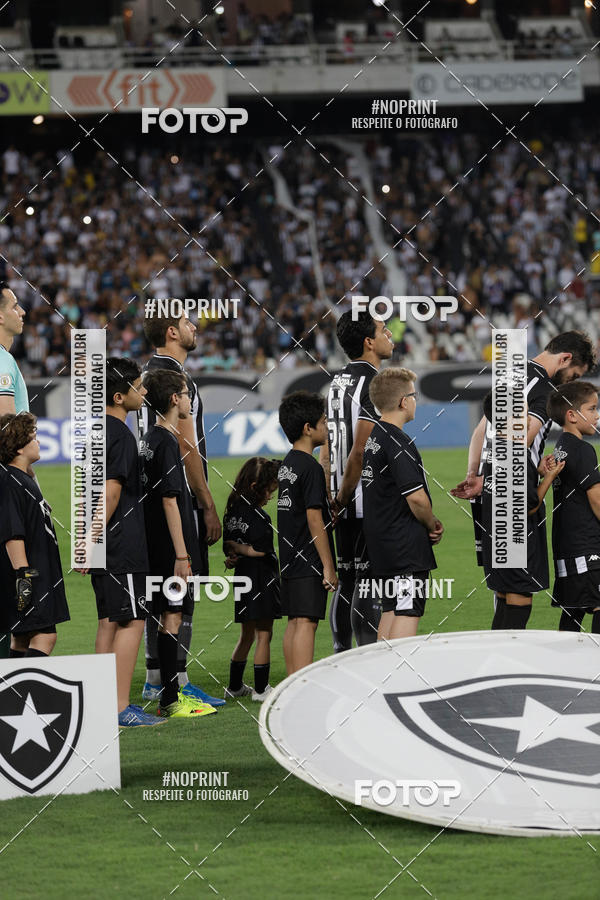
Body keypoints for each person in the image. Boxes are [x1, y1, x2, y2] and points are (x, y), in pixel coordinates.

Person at [452, 331, 596, 628]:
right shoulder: (542, 389)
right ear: (565, 358)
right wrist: (533, 481)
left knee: (506, 593)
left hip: (492, 491)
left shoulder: (511, 373)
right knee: (519, 595)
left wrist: (477, 475)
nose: (568, 383)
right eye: (573, 375)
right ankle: (504, 669)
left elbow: (482, 430)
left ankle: (497, 667)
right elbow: (518, 442)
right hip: (513, 497)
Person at [138, 311, 224, 707]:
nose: (195, 329)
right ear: (172, 332)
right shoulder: (178, 382)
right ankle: (177, 682)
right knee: (180, 589)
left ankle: (155, 678)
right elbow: (188, 447)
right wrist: (206, 503)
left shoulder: (141, 377)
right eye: (189, 324)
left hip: (143, 503)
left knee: (157, 591)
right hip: (176, 498)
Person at [85, 359, 163, 727]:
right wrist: (94, 537)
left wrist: (89, 540)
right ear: (119, 395)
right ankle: (118, 707)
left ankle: (101, 703)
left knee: (107, 622)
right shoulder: (119, 434)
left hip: (104, 544)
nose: (143, 392)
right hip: (122, 543)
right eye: (138, 386)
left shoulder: (98, 432)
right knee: (133, 621)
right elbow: (112, 493)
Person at [320, 310, 394, 652]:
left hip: (339, 498)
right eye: (383, 330)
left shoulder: (336, 383)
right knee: (368, 582)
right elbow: (361, 450)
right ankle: (366, 660)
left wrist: (331, 495)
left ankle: (340, 654)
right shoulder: (376, 384)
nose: (389, 334)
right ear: (369, 342)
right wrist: (346, 495)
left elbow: (327, 449)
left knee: (347, 580)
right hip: (363, 500)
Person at [361, 368, 443, 640]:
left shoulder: (375, 436)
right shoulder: (397, 439)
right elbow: (416, 497)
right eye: (413, 395)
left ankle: (380, 678)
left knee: (391, 609)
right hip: (404, 547)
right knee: (408, 611)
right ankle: (397, 679)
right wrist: (431, 524)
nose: (415, 400)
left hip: (383, 544)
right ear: (403, 401)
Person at [479, 391, 563, 630]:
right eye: (524, 412)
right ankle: (506, 663)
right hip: (516, 542)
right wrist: (549, 477)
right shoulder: (516, 453)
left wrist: (535, 472)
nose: (528, 418)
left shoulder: (496, 449)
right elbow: (529, 506)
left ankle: (494, 663)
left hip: (496, 541)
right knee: (519, 606)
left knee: (505, 603)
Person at [278, 391, 338, 674]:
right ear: (308, 428)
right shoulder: (311, 468)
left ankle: (291, 682)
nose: (327, 427)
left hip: (289, 555)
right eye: (323, 422)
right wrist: (328, 566)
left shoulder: (288, 463)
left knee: (295, 620)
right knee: (307, 621)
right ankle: (301, 684)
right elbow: (314, 518)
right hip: (309, 557)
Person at [0, 413, 69, 656]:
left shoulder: (21, 478)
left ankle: (11, 694)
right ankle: (28, 692)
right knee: (45, 636)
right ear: (18, 446)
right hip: (29, 575)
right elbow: (12, 533)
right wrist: (24, 577)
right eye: (34, 436)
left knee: (21, 637)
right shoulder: (10, 481)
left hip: (34, 572)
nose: (38, 441)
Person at [223, 457, 281, 702]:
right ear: (256, 487)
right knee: (264, 633)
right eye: (269, 491)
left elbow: (228, 546)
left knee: (246, 635)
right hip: (261, 578)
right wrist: (241, 548)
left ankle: (234, 686)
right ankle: (261, 689)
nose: (270, 497)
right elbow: (261, 550)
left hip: (241, 579)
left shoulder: (232, 511)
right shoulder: (260, 519)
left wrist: (233, 551)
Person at [547, 382, 600, 634]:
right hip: (586, 546)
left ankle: (563, 670)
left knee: (574, 610)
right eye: (592, 409)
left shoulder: (560, 448)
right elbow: (596, 499)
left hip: (566, 545)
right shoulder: (583, 450)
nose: (597, 415)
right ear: (572, 415)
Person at [0, 283, 28, 659]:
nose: (22, 312)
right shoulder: (3, 361)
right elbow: (7, 429)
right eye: (16, 305)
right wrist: (28, 481)